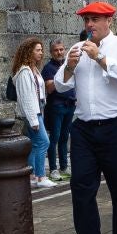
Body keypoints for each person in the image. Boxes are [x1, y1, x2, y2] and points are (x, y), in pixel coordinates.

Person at [53, 1, 117, 234]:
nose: (89, 25)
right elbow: (59, 86)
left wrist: (99, 57)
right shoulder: (76, 48)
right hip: (84, 128)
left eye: (94, 19)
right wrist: (69, 66)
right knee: (80, 185)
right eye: (86, 20)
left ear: (109, 21)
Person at [9, 37, 53, 189]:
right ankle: (41, 176)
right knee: (43, 142)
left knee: (35, 144)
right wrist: (33, 119)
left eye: (41, 50)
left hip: (38, 109)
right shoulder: (24, 71)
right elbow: (27, 97)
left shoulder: (33, 69)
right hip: (33, 112)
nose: (41, 53)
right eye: (38, 50)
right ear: (29, 52)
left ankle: (32, 175)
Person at [42, 39, 74, 182]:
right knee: (54, 137)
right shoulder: (48, 68)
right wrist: (62, 76)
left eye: (61, 49)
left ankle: (64, 167)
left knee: (64, 137)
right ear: (51, 52)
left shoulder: (69, 65)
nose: (59, 52)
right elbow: (49, 87)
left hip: (70, 105)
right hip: (56, 106)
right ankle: (53, 169)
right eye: (56, 50)